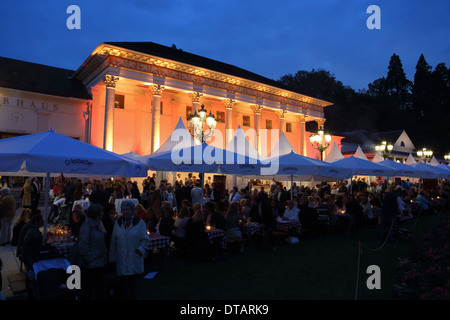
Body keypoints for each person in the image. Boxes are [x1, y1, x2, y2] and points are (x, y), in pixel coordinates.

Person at [109, 199, 149, 300]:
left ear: (132, 210)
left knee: (134, 289)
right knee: (123, 289)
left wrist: (140, 250)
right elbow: (114, 241)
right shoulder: (118, 223)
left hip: (134, 259)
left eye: (127, 209)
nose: (125, 212)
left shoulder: (139, 223)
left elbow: (145, 239)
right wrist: (112, 258)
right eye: (123, 210)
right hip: (121, 260)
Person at [78, 203, 107, 300]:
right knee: (90, 289)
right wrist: (90, 257)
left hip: (99, 261)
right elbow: (83, 245)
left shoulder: (98, 224)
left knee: (99, 288)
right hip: (92, 263)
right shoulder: (87, 226)